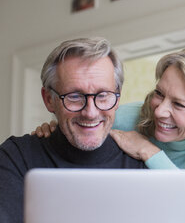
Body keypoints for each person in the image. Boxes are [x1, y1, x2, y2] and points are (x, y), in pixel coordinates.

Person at [0, 37, 146, 223]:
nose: (91, 113)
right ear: (49, 100)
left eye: (102, 95)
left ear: (117, 98)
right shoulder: (16, 157)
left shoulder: (141, 163)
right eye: (75, 96)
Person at [34, 45, 185, 169]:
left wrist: (150, 152)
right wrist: (54, 130)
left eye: (178, 104)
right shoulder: (126, 119)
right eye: (159, 93)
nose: (159, 111)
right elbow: (79, 126)